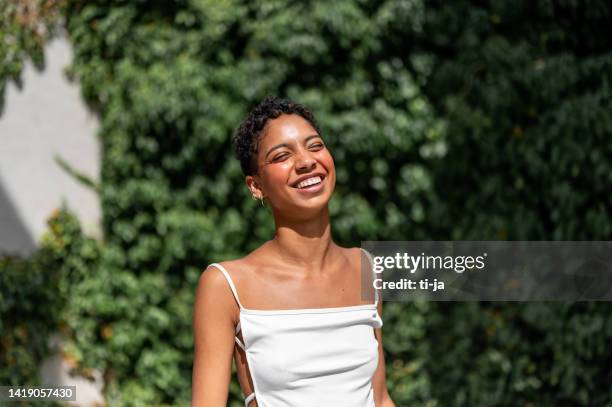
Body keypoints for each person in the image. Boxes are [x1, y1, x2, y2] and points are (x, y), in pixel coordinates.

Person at [192, 96, 395, 406]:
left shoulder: (366, 268)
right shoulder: (226, 285)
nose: (305, 161)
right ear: (255, 186)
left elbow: (380, 399)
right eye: (281, 156)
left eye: (314, 146)